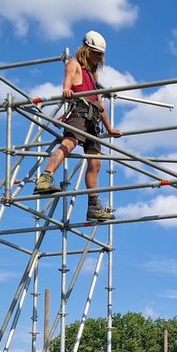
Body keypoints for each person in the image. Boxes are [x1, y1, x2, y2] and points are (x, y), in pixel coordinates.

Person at [34, 29, 122, 223]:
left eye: (100, 55)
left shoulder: (93, 75)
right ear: (87, 50)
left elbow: (100, 104)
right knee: (69, 143)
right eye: (96, 54)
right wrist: (66, 90)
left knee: (95, 163)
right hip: (80, 112)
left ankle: (94, 207)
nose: (99, 58)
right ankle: (45, 179)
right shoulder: (74, 64)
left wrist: (109, 128)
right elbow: (68, 81)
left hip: (93, 119)